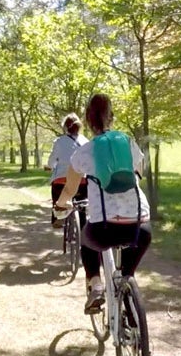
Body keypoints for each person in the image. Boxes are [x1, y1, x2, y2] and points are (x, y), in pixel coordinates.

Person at [55, 94, 152, 314]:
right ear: (112, 117)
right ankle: (129, 309)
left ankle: (96, 287)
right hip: (140, 225)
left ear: (88, 121)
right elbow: (140, 171)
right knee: (127, 275)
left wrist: (62, 204)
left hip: (105, 228)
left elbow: (69, 190)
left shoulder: (85, 151)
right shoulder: (127, 142)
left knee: (87, 244)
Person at [44, 113, 88, 228]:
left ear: (65, 127)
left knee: (57, 193)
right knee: (81, 205)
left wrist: (50, 166)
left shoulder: (59, 141)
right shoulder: (86, 141)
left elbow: (52, 161)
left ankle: (57, 217)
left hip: (61, 179)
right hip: (82, 180)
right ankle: (82, 225)